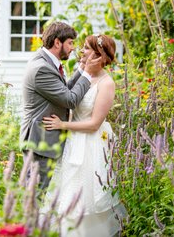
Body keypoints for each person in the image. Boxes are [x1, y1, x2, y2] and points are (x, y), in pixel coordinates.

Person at [41, 34, 127, 236]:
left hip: (92, 143)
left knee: (87, 195)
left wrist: (62, 124)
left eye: (87, 48)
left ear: (100, 55)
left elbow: (95, 123)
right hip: (73, 140)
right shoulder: (84, 74)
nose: (82, 51)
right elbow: (69, 97)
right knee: (68, 192)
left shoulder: (106, 83)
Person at [19, 22, 101, 191]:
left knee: (38, 197)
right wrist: (88, 73)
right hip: (40, 143)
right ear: (57, 43)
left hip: (44, 142)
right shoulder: (42, 68)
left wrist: (81, 69)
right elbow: (70, 100)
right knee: (35, 198)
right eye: (70, 43)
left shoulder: (45, 61)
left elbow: (63, 90)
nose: (73, 48)